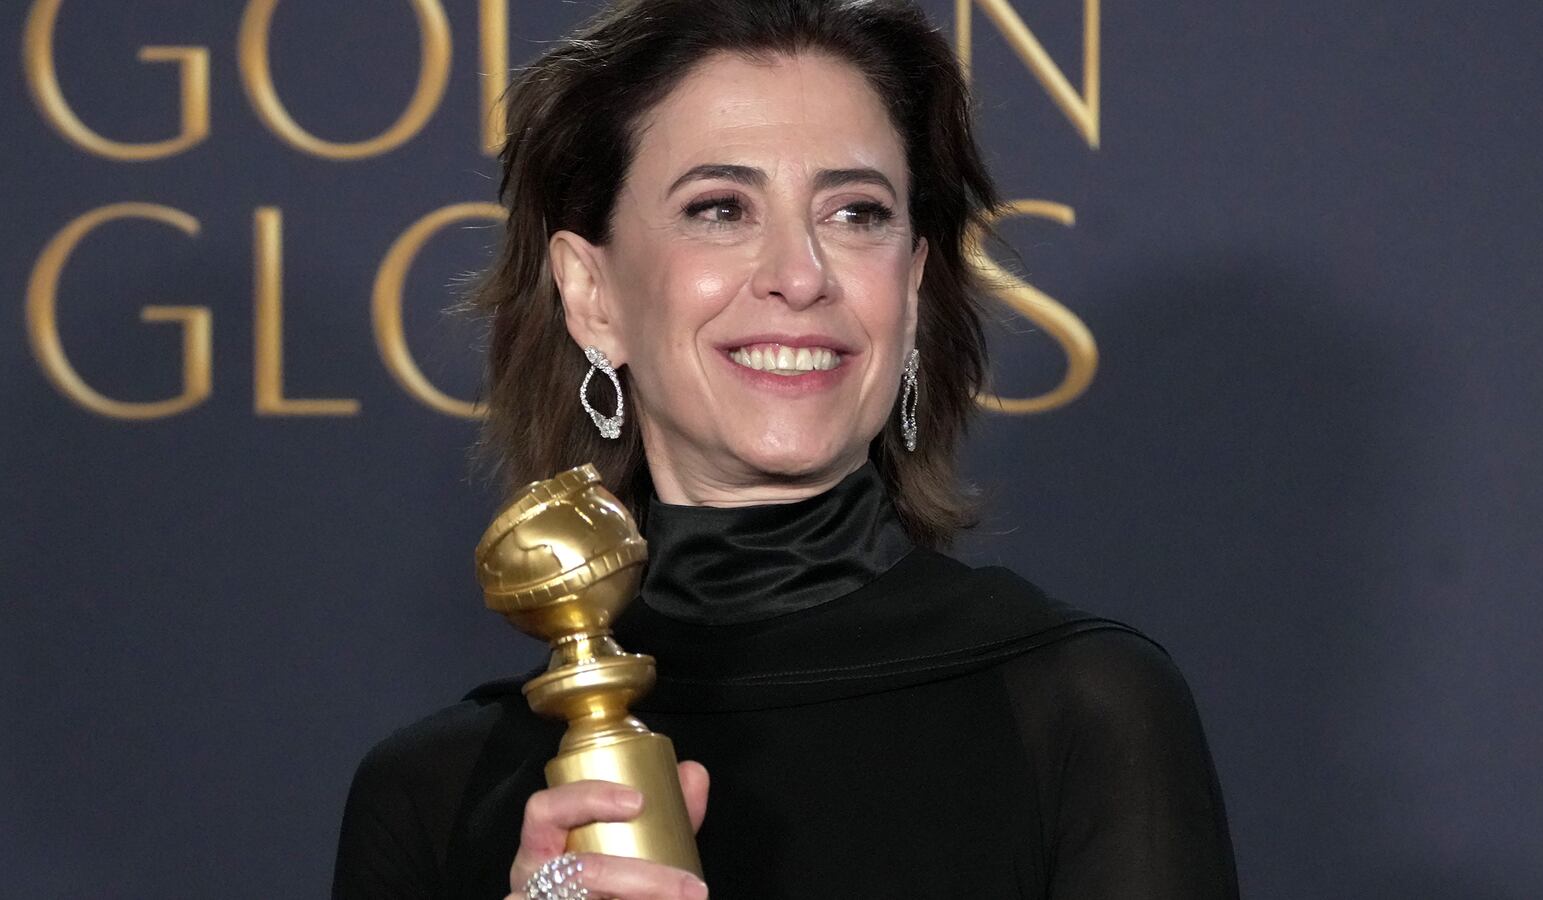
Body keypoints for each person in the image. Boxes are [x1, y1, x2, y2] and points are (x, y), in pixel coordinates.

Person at [333, 0, 1239, 896]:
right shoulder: (438, 793)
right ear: (592, 292)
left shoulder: (1088, 710)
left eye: (856, 214)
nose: (801, 276)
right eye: (720, 208)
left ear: (912, 284)